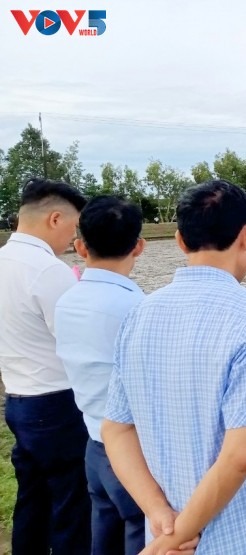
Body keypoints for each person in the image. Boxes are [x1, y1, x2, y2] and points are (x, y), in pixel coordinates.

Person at [102, 180, 246, 554]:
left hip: (165, 529)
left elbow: (116, 429)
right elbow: (239, 455)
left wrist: (159, 515)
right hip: (236, 539)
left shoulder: (140, 313)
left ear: (180, 241)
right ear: (245, 236)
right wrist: (175, 539)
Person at [55, 196, 196, 555]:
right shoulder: (138, 309)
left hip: (93, 445)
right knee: (141, 536)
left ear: (80, 246)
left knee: (103, 536)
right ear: (139, 246)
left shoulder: (66, 302)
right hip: (134, 456)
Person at [0, 177, 91, 554]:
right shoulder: (47, 270)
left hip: (17, 400)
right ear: (55, 218)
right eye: (73, 227)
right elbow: (78, 342)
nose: (72, 239)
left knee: (32, 502)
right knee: (72, 507)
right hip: (56, 404)